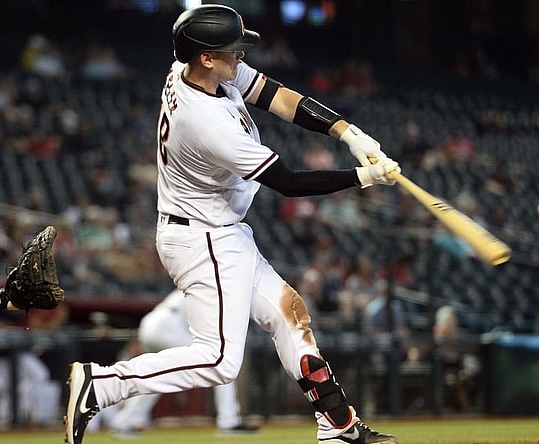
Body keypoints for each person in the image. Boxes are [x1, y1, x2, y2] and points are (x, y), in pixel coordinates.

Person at [65, 5, 399, 444]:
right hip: (200, 236)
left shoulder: (197, 69)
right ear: (206, 57)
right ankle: (102, 385)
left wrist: (347, 133)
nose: (241, 57)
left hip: (221, 229)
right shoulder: (205, 122)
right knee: (219, 360)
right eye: (233, 50)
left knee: (289, 314)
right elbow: (288, 183)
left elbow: (275, 95)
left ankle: (337, 424)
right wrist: (361, 177)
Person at [108, 289, 258, 436]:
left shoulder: (198, 282)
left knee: (159, 377)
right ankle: (229, 421)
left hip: (151, 324)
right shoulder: (214, 288)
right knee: (221, 364)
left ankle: (124, 421)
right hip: (169, 326)